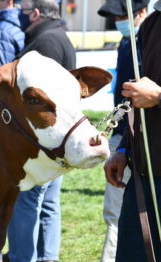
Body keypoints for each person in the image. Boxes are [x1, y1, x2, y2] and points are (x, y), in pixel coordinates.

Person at [6, 1, 76, 261]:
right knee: (47, 204)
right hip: (55, 142)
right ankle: (47, 257)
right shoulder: (58, 36)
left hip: (42, 144)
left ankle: (22, 257)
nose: (19, 17)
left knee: (26, 202)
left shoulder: (45, 42)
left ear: (35, 14)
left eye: (23, 12)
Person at [104, 0, 161, 261]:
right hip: (145, 173)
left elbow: (153, 94)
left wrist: (159, 95)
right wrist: (125, 150)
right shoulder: (151, 23)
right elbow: (140, 103)